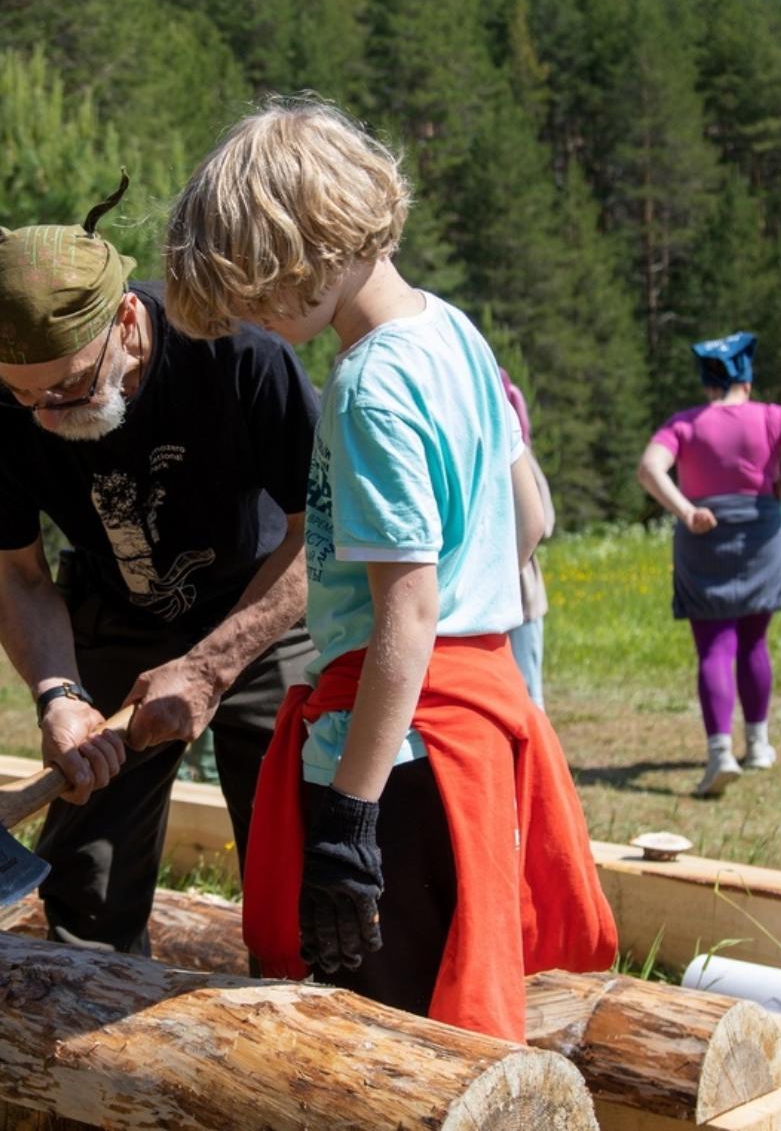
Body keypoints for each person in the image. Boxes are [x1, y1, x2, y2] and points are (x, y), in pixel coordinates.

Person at [163, 97, 615, 1041]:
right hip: (474, 734)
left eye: (250, 291)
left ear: (296, 254)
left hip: (399, 760)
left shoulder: (368, 385)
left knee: (392, 1041)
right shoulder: (453, 333)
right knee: (458, 1011)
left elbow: (406, 616)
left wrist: (349, 823)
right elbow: (531, 518)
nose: (250, 315)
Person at [0, 175, 318, 956]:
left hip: (261, 611)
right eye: (27, 397)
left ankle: (304, 1031)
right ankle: (91, 1057)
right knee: (88, 884)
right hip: (114, 612)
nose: (48, 414)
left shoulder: (238, 355)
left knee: (300, 864)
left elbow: (320, 538)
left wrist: (213, 666)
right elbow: (18, 573)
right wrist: (59, 692)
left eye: (70, 384)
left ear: (125, 318)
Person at [636, 332, 781, 797]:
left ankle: (720, 754)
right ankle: (758, 745)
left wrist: (686, 511)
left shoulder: (685, 424)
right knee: (754, 640)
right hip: (762, 530)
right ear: (746, 383)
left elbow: (650, 469)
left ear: (706, 383)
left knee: (714, 645)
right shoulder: (772, 417)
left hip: (704, 534)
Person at [501, 370, 555, 710]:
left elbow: (541, 521)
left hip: (520, 587)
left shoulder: (515, 449)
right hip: (509, 586)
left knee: (528, 693)